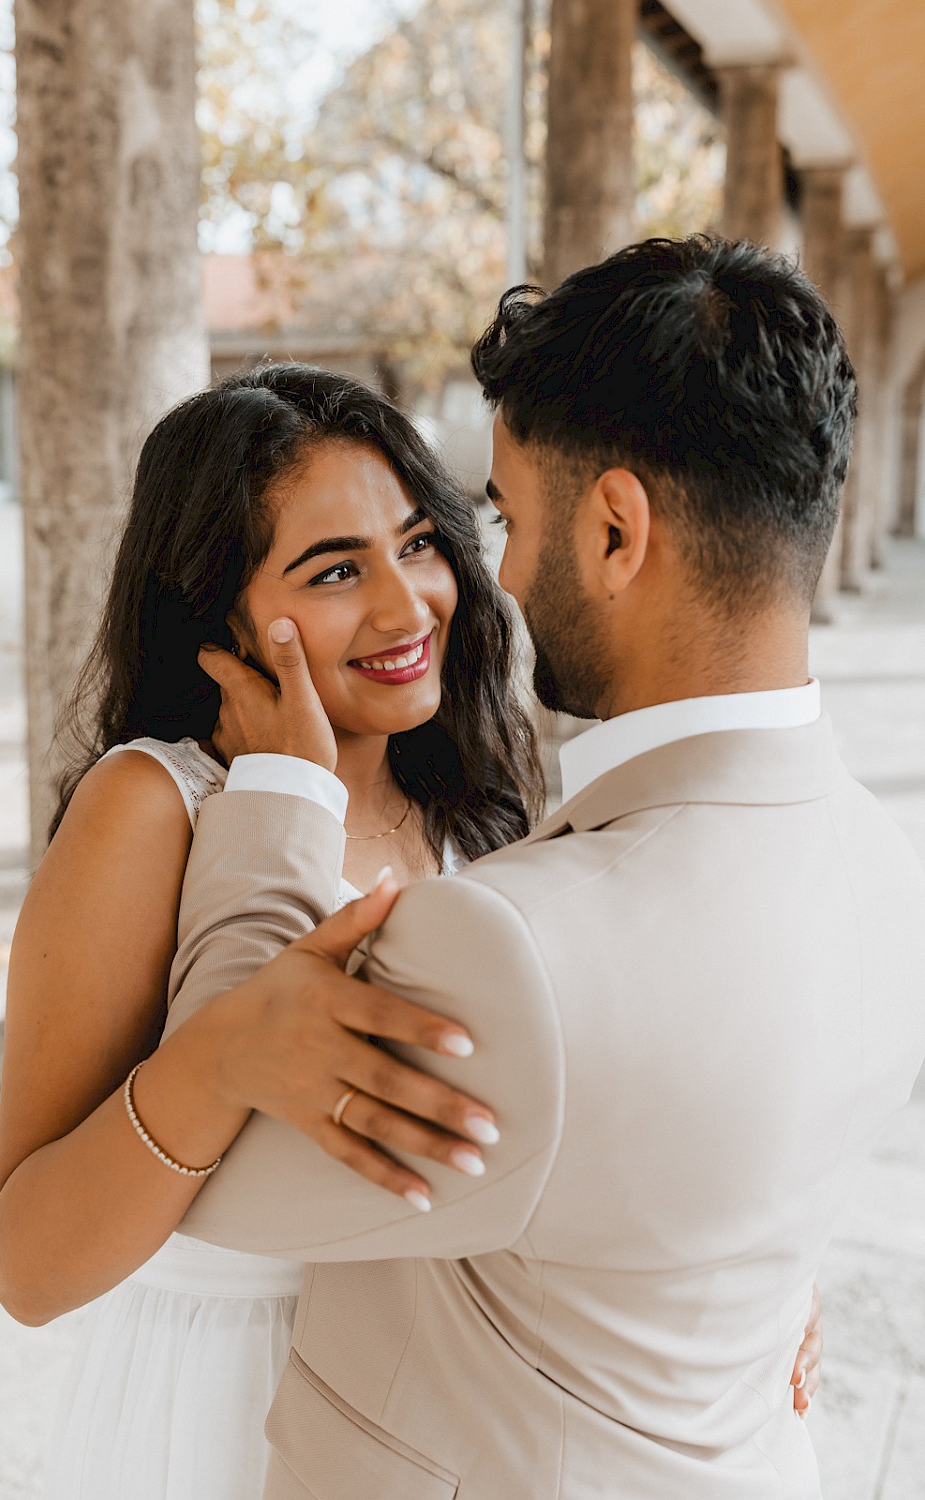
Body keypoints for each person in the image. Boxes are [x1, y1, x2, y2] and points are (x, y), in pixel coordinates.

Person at [154, 238, 925, 1499]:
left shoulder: (517, 952)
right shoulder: (889, 870)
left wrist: (277, 794)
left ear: (616, 530)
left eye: (507, 516)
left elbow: (215, 1183)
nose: (490, 574)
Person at [0, 363, 544, 1498]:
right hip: (229, 1407)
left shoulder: (477, 799)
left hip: (448, 1393)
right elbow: (28, 1268)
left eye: (418, 544)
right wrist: (225, 1055)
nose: (404, 608)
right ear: (217, 610)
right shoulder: (152, 808)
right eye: (335, 571)